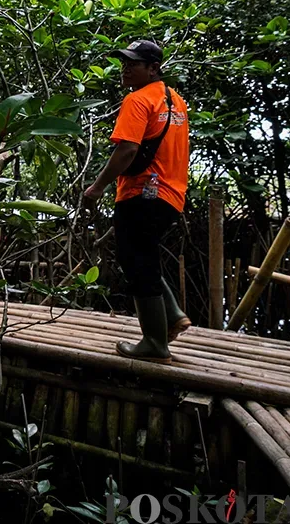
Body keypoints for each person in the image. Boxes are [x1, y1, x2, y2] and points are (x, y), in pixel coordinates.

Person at [84, 39, 190, 363]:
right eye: (124, 62)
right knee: (145, 257)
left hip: (141, 193)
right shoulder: (176, 102)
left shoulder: (138, 100)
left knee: (136, 262)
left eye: (134, 63)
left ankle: (155, 344)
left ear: (153, 68)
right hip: (171, 194)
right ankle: (172, 316)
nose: (125, 68)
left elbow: (127, 150)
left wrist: (97, 187)